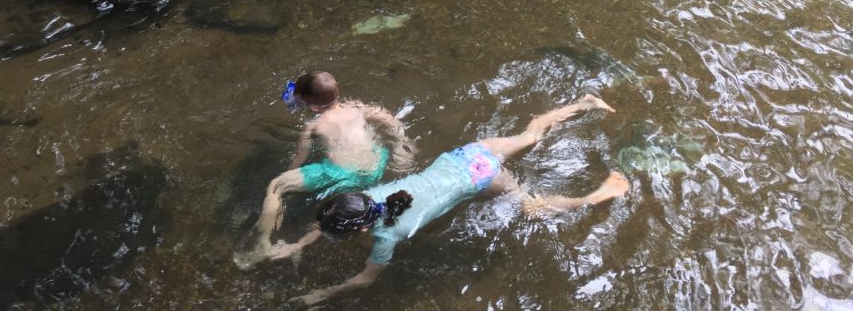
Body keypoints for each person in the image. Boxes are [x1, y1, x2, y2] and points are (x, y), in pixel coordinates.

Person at [269, 94, 628, 306]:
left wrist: (319, 295)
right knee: (529, 135)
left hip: (480, 178)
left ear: (362, 227)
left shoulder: (389, 236)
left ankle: (595, 196)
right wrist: (297, 243)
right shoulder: (366, 197)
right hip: (464, 156)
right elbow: (335, 217)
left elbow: (364, 280)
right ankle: (584, 103)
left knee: (530, 207)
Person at [233, 70, 416, 270]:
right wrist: (401, 145)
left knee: (276, 187)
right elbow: (387, 117)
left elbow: (298, 161)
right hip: (375, 166)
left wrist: (287, 174)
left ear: (311, 105)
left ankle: (263, 239)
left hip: (343, 173)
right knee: (339, 210)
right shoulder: (357, 107)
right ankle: (300, 242)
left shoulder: (314, 126)